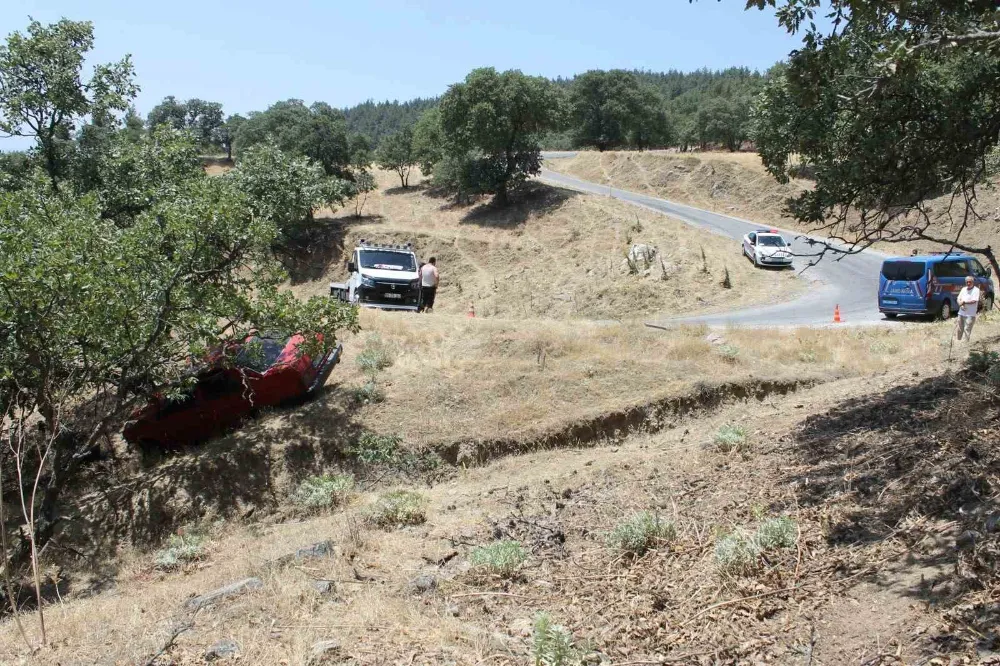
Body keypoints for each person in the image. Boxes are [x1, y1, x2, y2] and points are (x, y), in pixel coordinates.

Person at [956, 275, 981, 341]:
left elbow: (974, 301)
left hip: (970, 314)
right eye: (967, 282)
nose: (968, 283)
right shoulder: (963, 289)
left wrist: (964, 302)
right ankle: (958, 342)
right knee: (959, 329)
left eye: (970, 282)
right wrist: (960, 304)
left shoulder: (976, 290)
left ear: (973, 282)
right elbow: (958, 298)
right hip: (961, 313)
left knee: (967, 329)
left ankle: (965, 344)